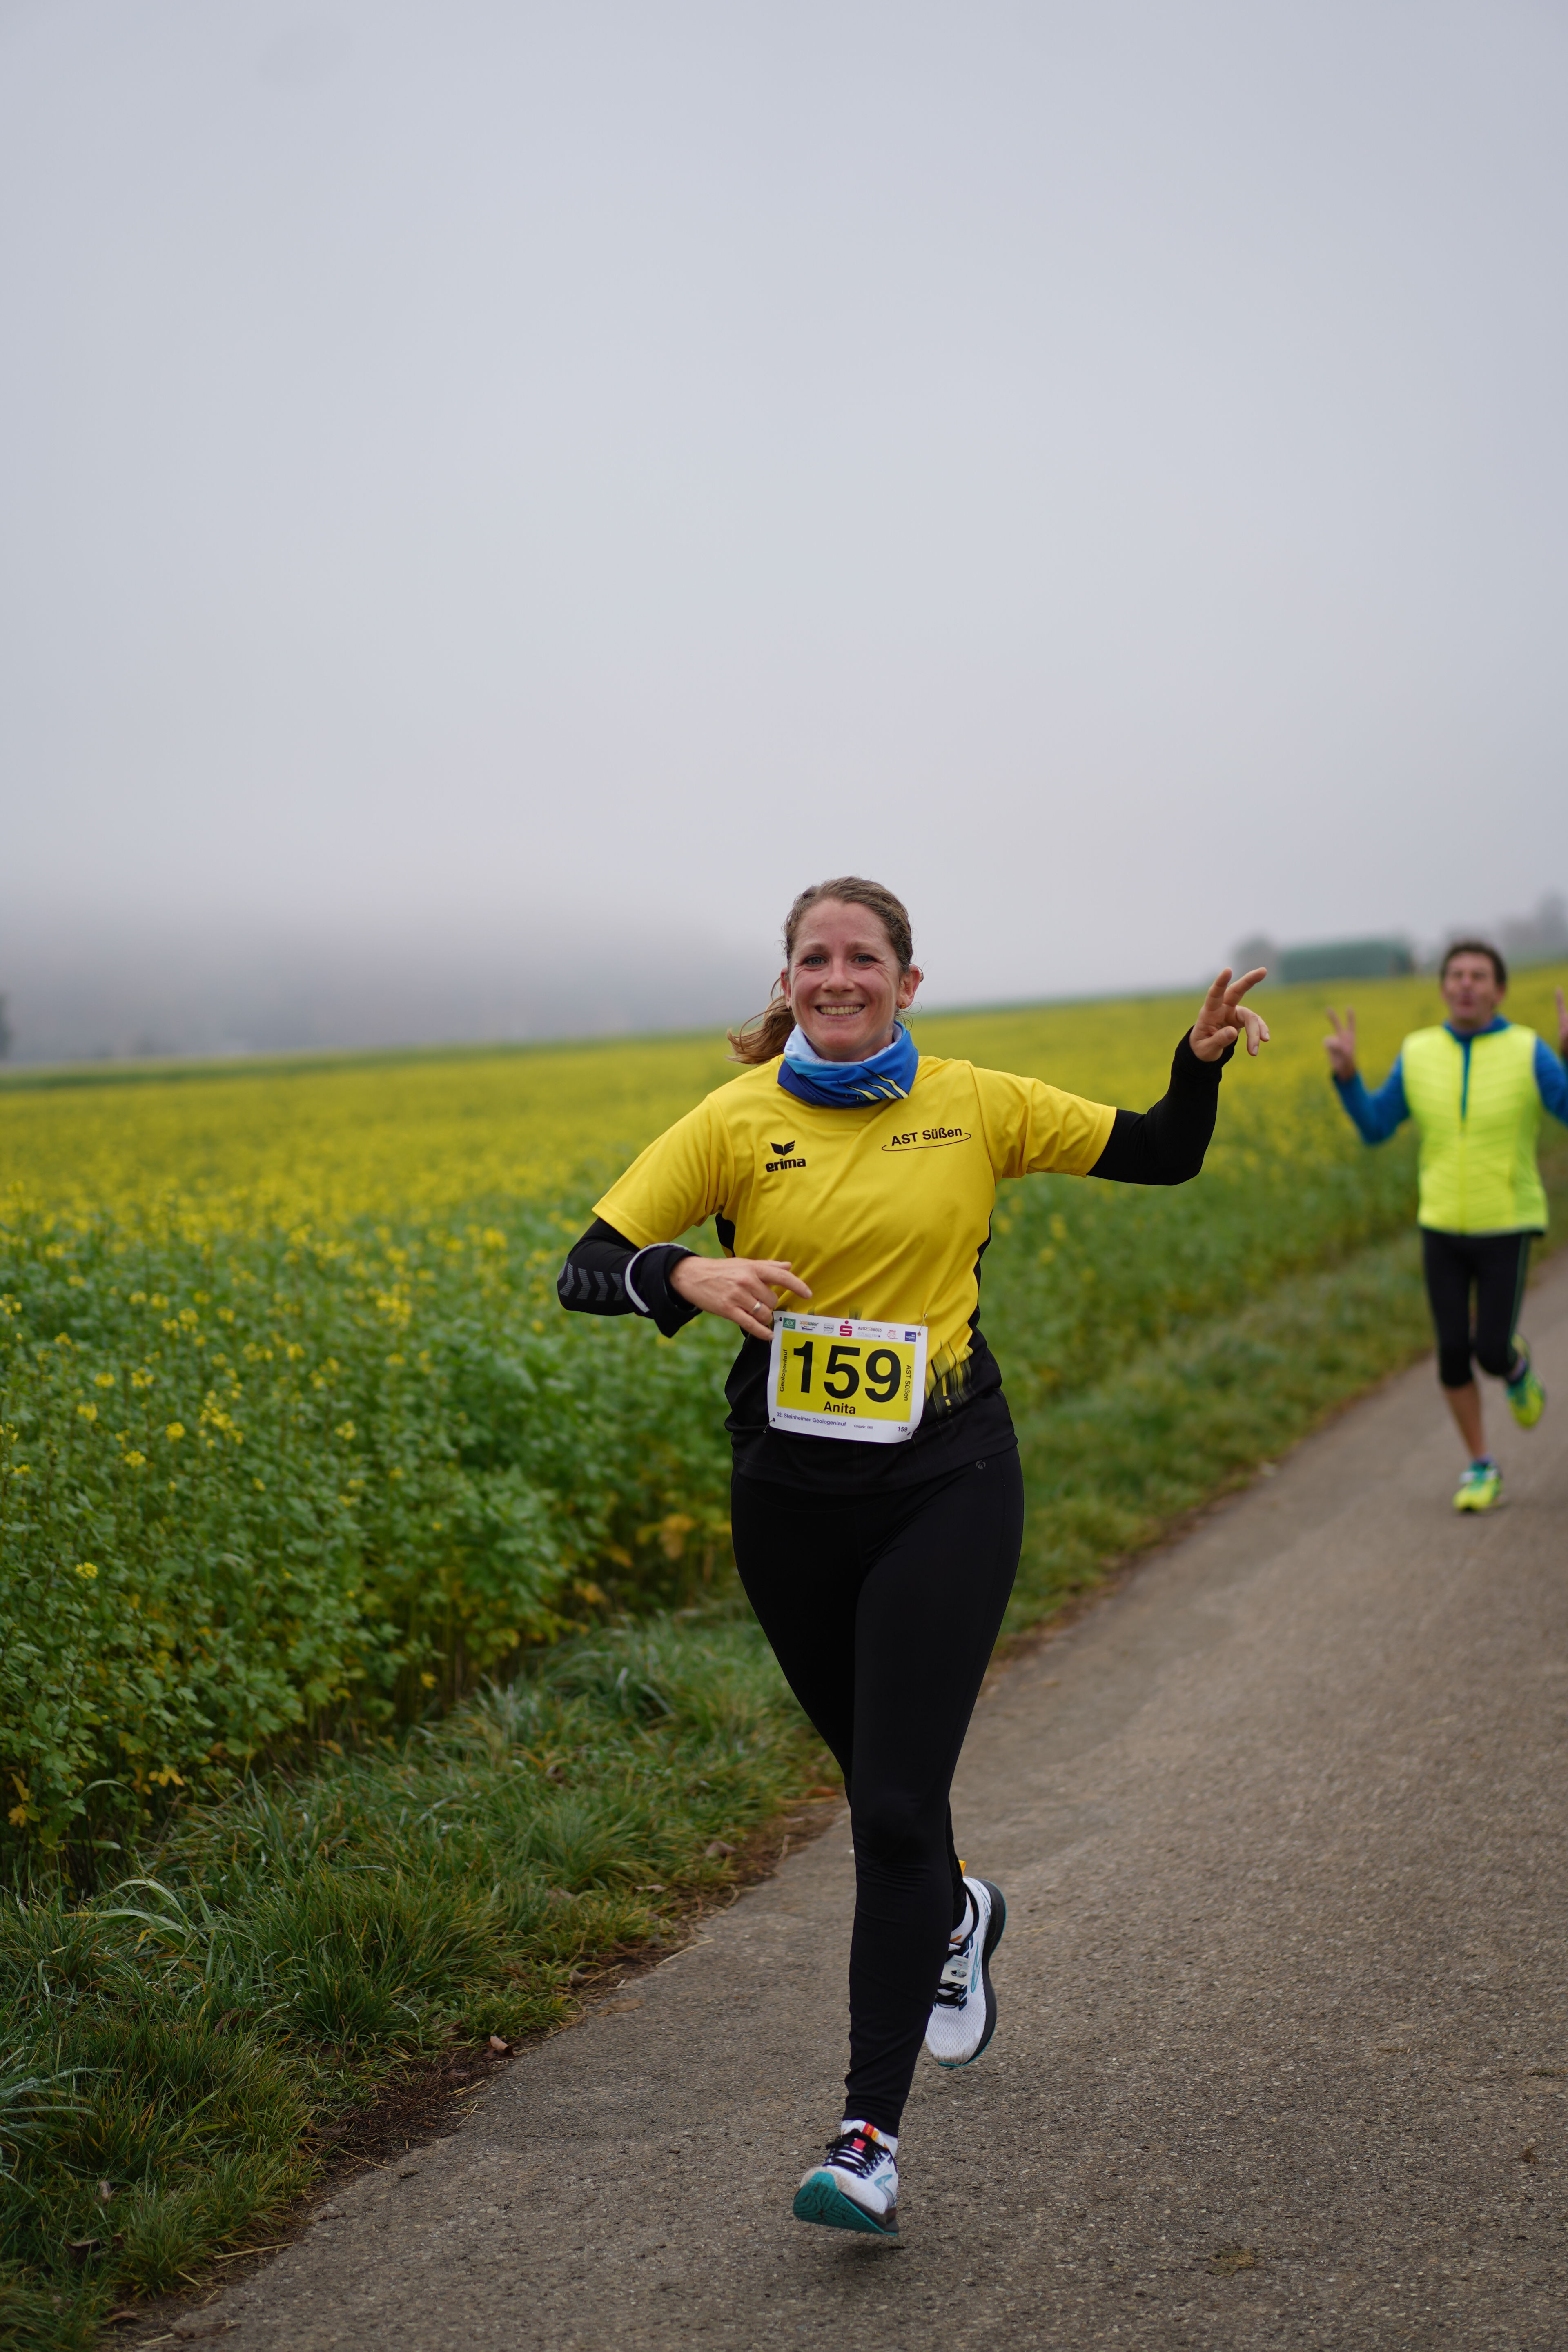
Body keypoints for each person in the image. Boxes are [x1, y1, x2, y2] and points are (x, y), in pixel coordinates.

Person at [557, 878, 1267, 2237]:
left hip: (949, 1476)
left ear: (907, 981)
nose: (839, 976)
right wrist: (683, 1274)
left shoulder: (976, 1103)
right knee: (882, 1786)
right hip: (786, 1497)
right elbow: (584, 1267)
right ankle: (956, 1916)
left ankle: (866, 2145)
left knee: (889, 1807)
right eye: (814, 958)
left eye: (864, 957)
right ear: (788, 982)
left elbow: (1165, 1153)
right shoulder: (733, 1121)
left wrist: (1198, 1064)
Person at [1325, 942, 1568, 1511]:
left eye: (1479, 976)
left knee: (1490, 1350)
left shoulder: (1527, 1049)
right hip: (1440, 1224)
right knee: (1453, 1353)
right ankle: (1482, 1466)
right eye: (1456, 975)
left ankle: (1515, 1367)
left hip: (1506, 1221)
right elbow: (1376, 1127)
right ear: (1442, 988)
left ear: (1499, 991)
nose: (1465, 984)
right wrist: (1348, 1077)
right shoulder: (1418, 1051)